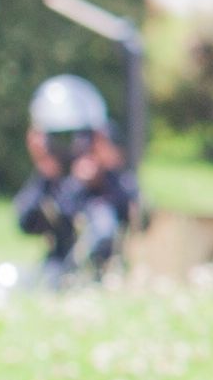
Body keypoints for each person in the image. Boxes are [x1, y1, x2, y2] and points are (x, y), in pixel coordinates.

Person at [17, 75, 135, 279]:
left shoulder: (111, 182)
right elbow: (26, 222)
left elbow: (133, 212)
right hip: (58, 268)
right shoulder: (52, 178)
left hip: (106, 272)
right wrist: (46, 173)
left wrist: (105, 173)